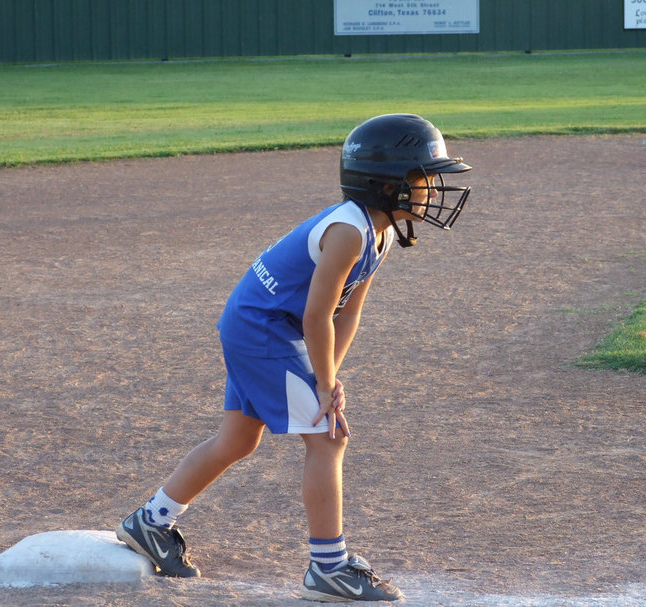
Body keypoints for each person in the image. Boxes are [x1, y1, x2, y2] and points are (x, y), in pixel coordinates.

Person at [115, 113, 472, 602]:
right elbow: (315, 317)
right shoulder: (348, 231)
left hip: (256, 325)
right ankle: (328, 568)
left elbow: (346, 316)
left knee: (238, 440)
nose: (433, 188)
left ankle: (150, 521)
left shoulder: (380, 232)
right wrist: (322, 388)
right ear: (386, 185)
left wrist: (330, 378)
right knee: (328, 440)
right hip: (264, 331)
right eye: (423, 177)